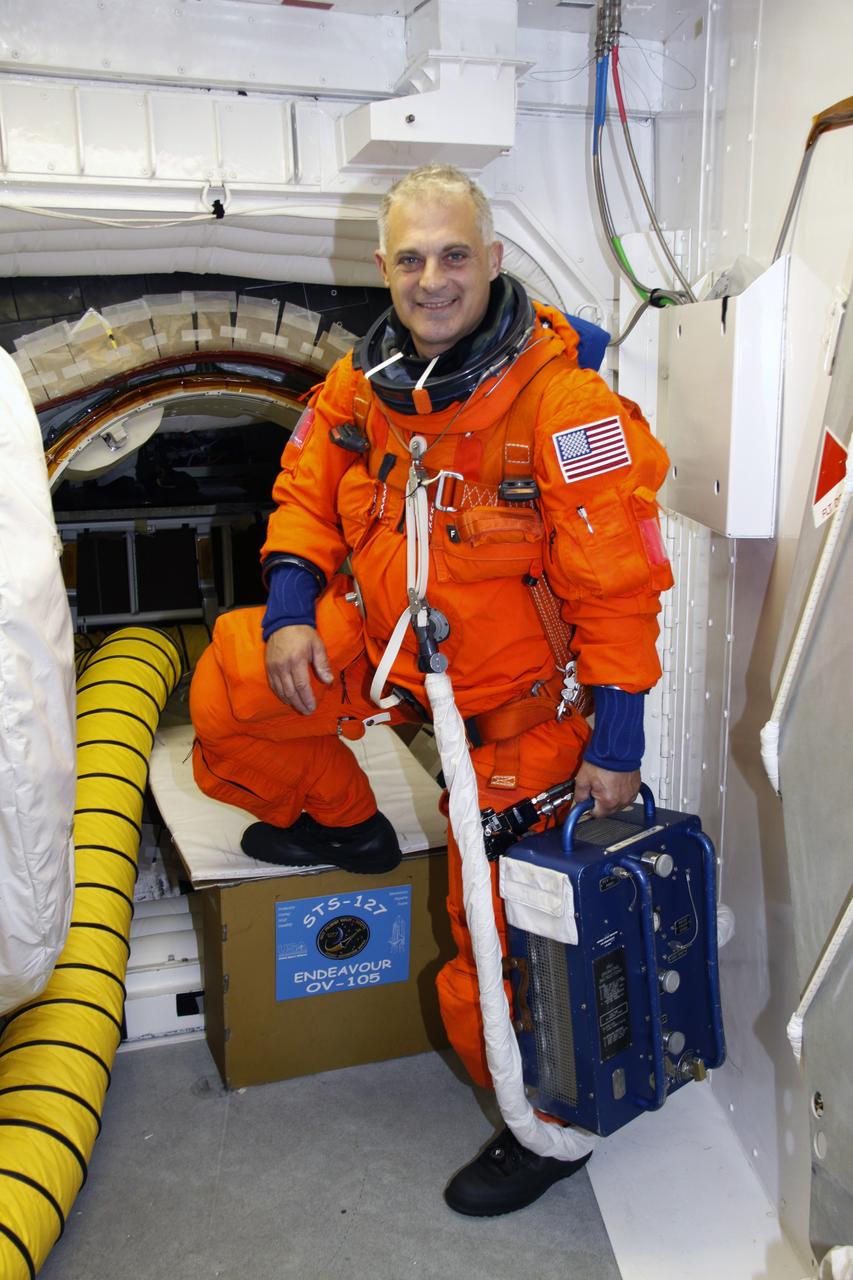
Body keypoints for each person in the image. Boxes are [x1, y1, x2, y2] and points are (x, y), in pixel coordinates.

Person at [190, 164, 673, 1216]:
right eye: (411, 258)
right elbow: (306, 493)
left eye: (454, 254)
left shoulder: (563, 403)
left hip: (511, 716)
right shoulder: (365, 385)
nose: (433, 277)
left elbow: (619, 585)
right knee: (233, 685)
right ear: (384, 271)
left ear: (492, 260)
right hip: (391, 654)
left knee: (496, 944)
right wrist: (285, 611)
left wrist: (619, 741)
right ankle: (343, 823)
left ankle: (549, 1126)